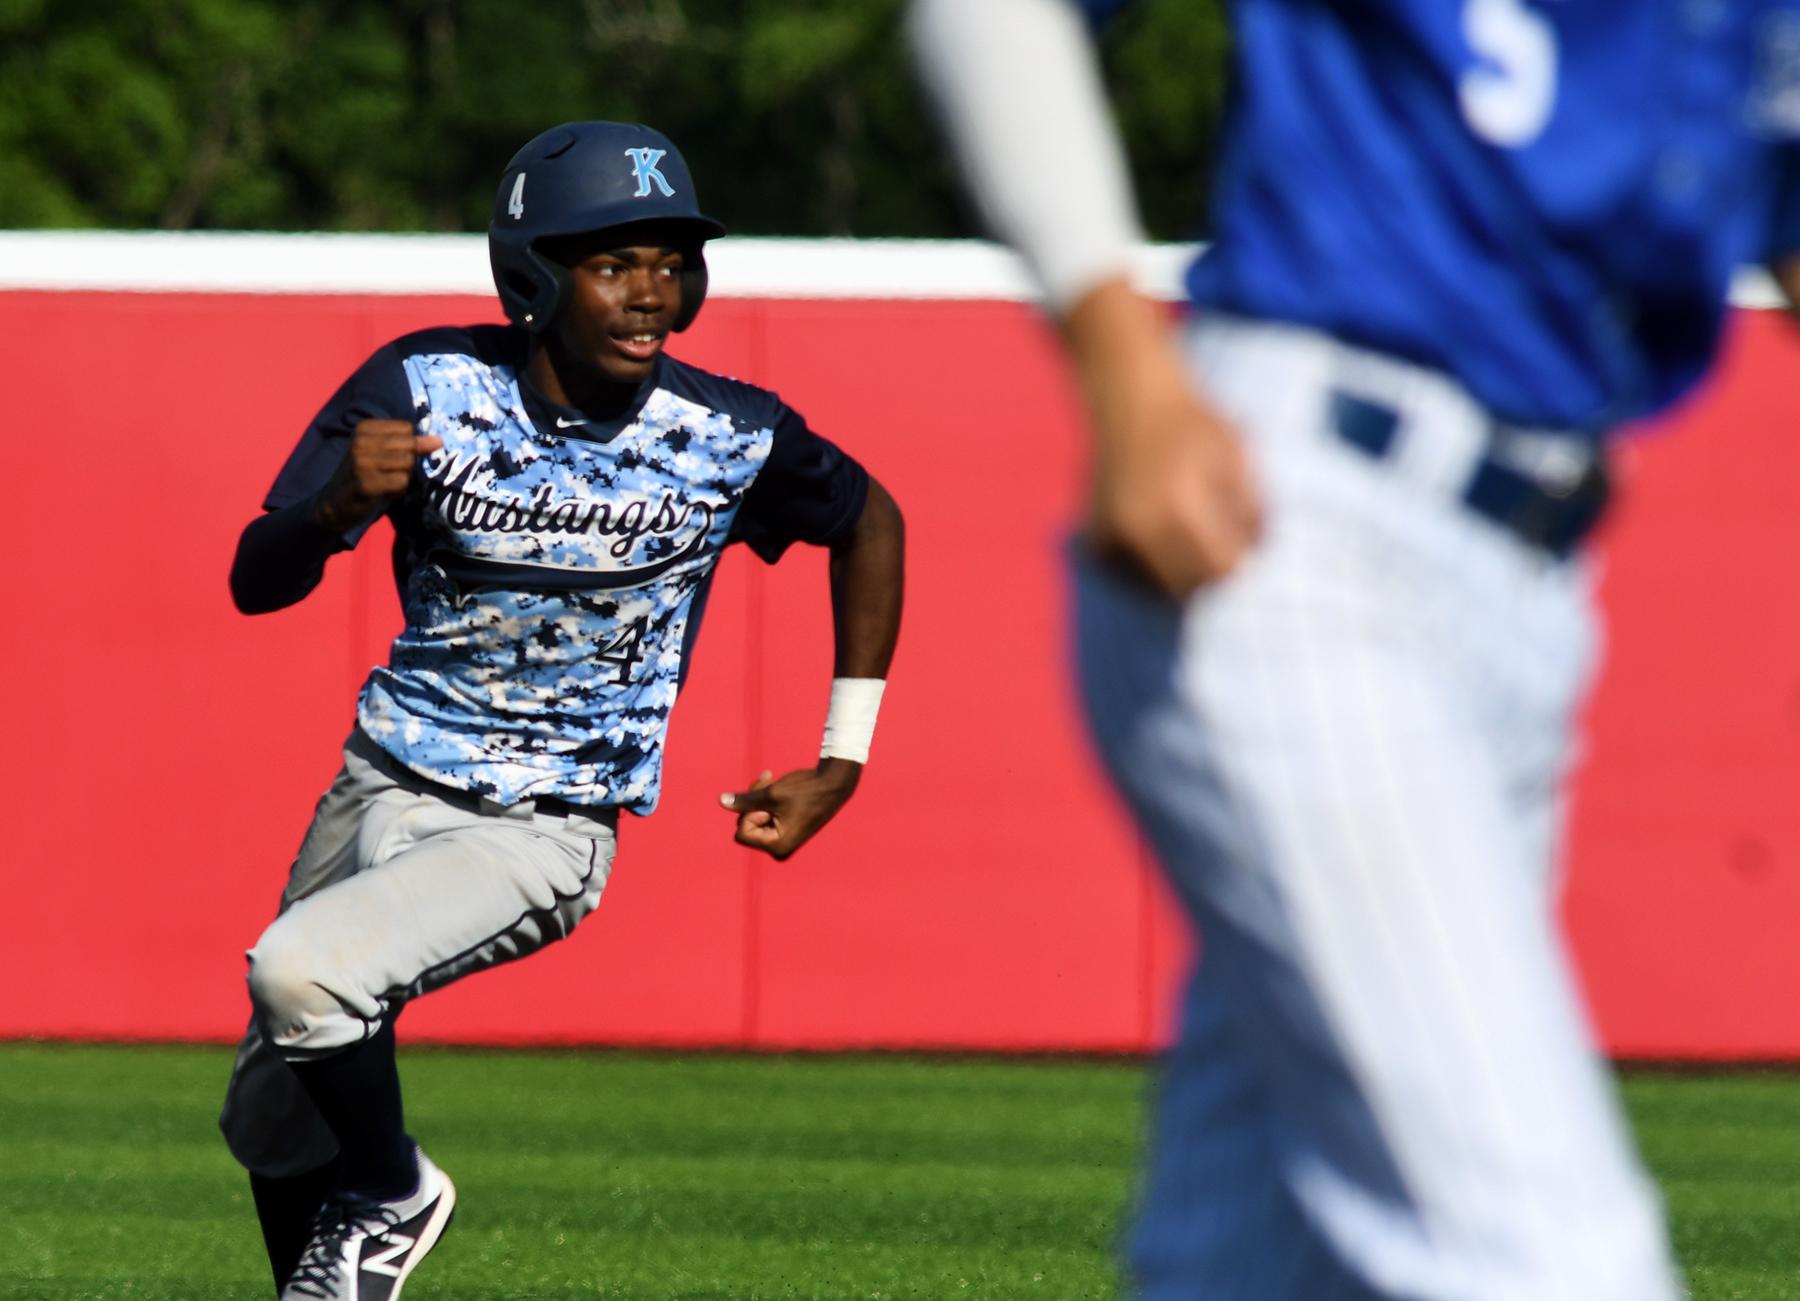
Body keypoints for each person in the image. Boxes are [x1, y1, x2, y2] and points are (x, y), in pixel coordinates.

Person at [908, 2, 1800, 1297]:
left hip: (1528, 593)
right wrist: (1121, 364)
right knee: (1556, 1265)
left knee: (1265, 1265)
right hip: (1298, 530)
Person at [217, 120, 904, 1300]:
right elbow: (254, 577)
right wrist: (335, 504)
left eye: (671, 260)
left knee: (303, 976)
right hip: (381, 777)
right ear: (532, 273)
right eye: (613, 261)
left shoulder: (726, 432)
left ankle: (395, 1191)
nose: (651, 292)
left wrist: (844, 754)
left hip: (543, 821)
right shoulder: (426, 386)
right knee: (273, 1121)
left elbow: (870, 519)